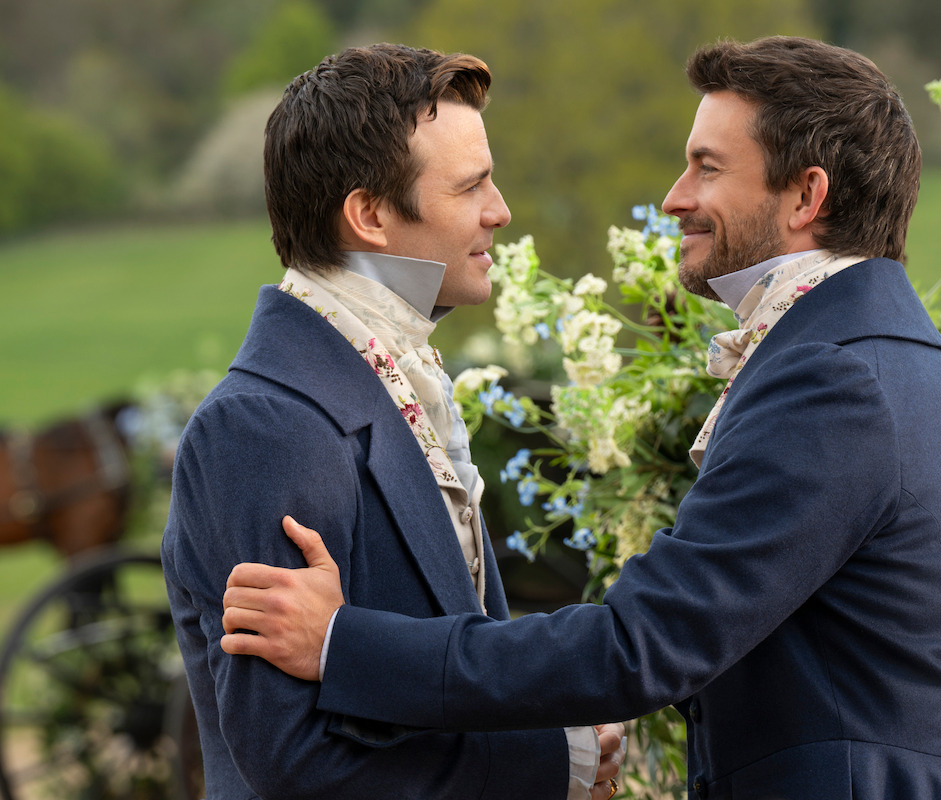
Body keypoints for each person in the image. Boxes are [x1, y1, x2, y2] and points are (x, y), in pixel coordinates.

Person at [221, 37, 941, 800]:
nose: (674, 197)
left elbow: (644, 645)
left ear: (805, 195)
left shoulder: (831, 385)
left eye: (707, 167)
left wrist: (342, 644)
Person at [161, 43, 625, 800]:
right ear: (370, 215)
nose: (500, 211)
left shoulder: (394, 379)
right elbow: (293, 762)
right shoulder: (265, 426)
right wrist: (548, 763)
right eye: (471, 186)